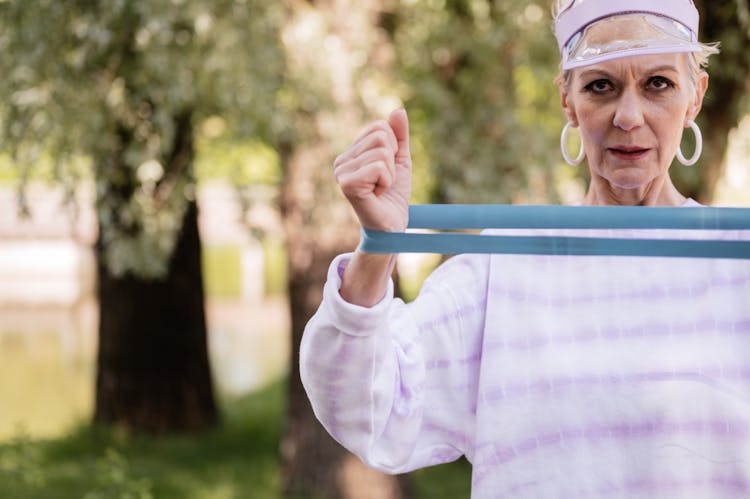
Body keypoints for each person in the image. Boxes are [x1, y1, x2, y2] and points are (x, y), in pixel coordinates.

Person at [300, 1, 750, 497]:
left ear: (695, 96)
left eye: (658, 84)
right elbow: (363, 405)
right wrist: (378, 244)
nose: (628, 116)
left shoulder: (737, 264)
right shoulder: (501, 270)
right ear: (567, 100)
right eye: (601, 85)